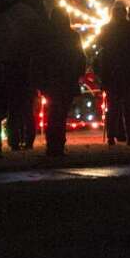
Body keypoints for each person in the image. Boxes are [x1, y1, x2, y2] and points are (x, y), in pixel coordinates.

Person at [96, 2, 130, 145]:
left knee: (113, 107)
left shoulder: (106, 29)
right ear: (125, 13)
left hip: (112, 71)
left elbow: (100, 43)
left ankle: (111, 136)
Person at [40, 8, 86, 158]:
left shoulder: (46, 37)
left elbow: (40, 59)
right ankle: (58, 144)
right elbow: (80, 57)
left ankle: (52, 144)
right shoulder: (72, 36)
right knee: (61, 113)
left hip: (51, 80)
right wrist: (78, 73)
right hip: (67, 79)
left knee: (53, 113)